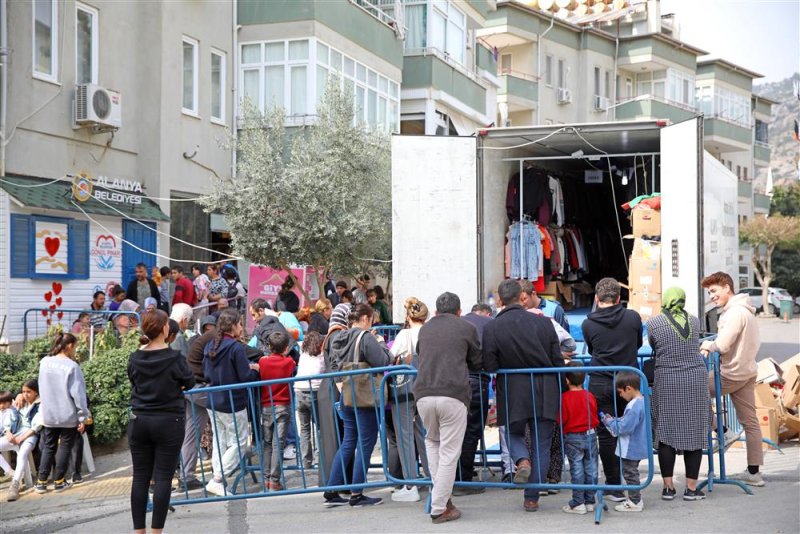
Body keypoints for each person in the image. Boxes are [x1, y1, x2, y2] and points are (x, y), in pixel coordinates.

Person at [482, 279, 564, 513]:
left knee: (513, 433)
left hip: (513, 389)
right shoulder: (544, 323)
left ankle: (521, 460)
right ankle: (532, 498)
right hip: (545, 389)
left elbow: (490, 364)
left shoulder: (492, 327)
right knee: (542, 444)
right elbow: (557, 361)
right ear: (522, 296)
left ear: (500, 300)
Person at [414, 292, 482, 523]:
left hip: (423, 394)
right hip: (453, 395)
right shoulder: (467, 327)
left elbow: (420, 355)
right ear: (459, 311)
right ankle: (439, 507)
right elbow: (477, 361)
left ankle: (441, 498)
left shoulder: (425, 329)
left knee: (433, 443)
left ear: (435, 311)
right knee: (449, 454)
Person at [127, 309, 194, 534]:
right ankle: (157, 532)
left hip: (139, 420)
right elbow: (190, 382)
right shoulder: (174, 357)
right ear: (164, 329)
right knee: (163, 478)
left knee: (140, 478)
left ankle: (139, 531)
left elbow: (133, 381)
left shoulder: (135, 356)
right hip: (169, 420)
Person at [322, 303, 392, 508]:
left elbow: (335, 365)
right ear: (364, 318)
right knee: (366, 443)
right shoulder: (366, 337)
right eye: (371, 319)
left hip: (347, 395)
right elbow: (382, 361)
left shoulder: (339, 337)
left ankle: (331, 490)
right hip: (364, 396)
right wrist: (381, 343)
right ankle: (356, 493)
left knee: (348, 442)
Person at [699, 271, 764, 486]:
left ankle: (723, 431)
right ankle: (754, 473)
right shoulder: (746, 310)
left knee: (692, 390)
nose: (712, 296)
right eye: (710, 293)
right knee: (751, 422)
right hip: (746, 371)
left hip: (730, 373)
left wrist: (708, 345)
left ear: (727, 287)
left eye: (714, 291)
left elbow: (723, 344)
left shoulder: (735, 313)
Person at [581, 277, 643, 502]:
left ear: (597, 299)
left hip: (601, 382)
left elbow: (591, 348)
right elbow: (637, 344)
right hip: (629, 381)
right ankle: (634, 483)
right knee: (632, 430)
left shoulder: (588, 323)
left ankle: (614, 485)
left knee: (606, 435)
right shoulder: (633, 317)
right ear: (619, 298)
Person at [646, 287, 709, 501]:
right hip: (695, 379)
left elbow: (654, 345)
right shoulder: (695, 320)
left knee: (665, 431)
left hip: (667, 379)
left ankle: (668, 487)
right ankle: (691, 489)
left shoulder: (653, 323)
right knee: (695, 431)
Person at [519, 280, 576, 489]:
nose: (523, 303)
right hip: (550, 382)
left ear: (531, 294)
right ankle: (542, 480)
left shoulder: (553, 311)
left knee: (544, 435)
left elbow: (567, 341)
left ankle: (547, 476)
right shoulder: (541, 318)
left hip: (537, 384)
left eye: (524, 299)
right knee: (544, 435)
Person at [203, 308, 259, 496]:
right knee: (240, 442)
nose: (242, 328)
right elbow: (245, 376)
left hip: (213, 400)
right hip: (232, 402)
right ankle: (218, 478)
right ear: (233, 326)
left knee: (220, 441)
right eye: (240, 324)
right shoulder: (235, 348)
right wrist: (255, 370)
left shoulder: (210, 345)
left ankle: (218, 479)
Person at [386, 297, 430, 503]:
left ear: (408, 316)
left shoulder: (404, 334)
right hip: (426, 387)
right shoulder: (430, 332)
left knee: (404, 435)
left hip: (404, 390)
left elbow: (390, 355)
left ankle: (411, 483)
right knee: (425, 435)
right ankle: (432, 479)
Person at [35, 333, 91, 494]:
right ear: (69, 346)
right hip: (67, 414)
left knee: (48, 446)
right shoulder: (72, 366)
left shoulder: (44, 362)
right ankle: (59, 481)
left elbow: (41, 387)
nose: (75, 350)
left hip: (48, 414)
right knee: (65, 446)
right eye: (75, 347)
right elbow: (78, 394)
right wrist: (82, 416)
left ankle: (41, 482)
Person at [600, 372, 649, 513]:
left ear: (628, 388)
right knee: (631, 473)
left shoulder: (634, 406)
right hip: (637, 444)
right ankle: (635, 499)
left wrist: (609, 421)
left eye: (620, 392)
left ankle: (635, 501)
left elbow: (624, 428)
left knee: (630, 474)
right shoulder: (642, 401)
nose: (620, 396)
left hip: (631, 447)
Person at [178, 315, 217, 490]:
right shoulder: (216, 339)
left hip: (190, 388)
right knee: (226, 422)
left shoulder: (195, 339)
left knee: (192, 432)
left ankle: (187, 476)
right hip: (199, 387)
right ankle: (221, 472)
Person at [458, 303, 493, 489]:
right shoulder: (488, 323)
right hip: (477, 379)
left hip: (455, 380)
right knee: (472, 432)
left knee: (453, 432)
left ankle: (455, 477)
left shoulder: (458, 322)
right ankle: (464, 479)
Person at [558, 363, 599, 515]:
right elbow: (594, 414)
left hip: (573, 436)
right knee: (592, 469)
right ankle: (590, 500)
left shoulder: (564, 398)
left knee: (577, 470)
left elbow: (561, 418)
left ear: (567, 380)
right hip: (591, 434)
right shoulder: (590, 396)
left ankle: (578, 502)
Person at [259, 331, 297, 491]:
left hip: (266, 405)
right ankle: (274, 479)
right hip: (283, 405)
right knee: (278, 443)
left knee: (267, 443)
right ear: (286, 348)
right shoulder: (289, 362)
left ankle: (267, 477)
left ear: (269, 346)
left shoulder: (262, 362)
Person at [2, 380, 42, 501]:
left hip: (30, 435)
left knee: (23, 453)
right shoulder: (20, 402)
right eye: (23, 391)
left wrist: (21, 438)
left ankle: (14, 485)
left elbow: (36, 427)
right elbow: (10, 419)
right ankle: (10, 471)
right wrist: (8, 432)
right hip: (15, 434)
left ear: (36, 392)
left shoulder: (40, 405)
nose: (25, 394)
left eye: (28, 392)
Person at [294, 331, 325, 469]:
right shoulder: (322, 357)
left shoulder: (303, 355)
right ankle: (321, 458)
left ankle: (305, 461)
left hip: (299, 391)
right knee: (320, 427)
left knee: (304, 428)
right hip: (315, 392)